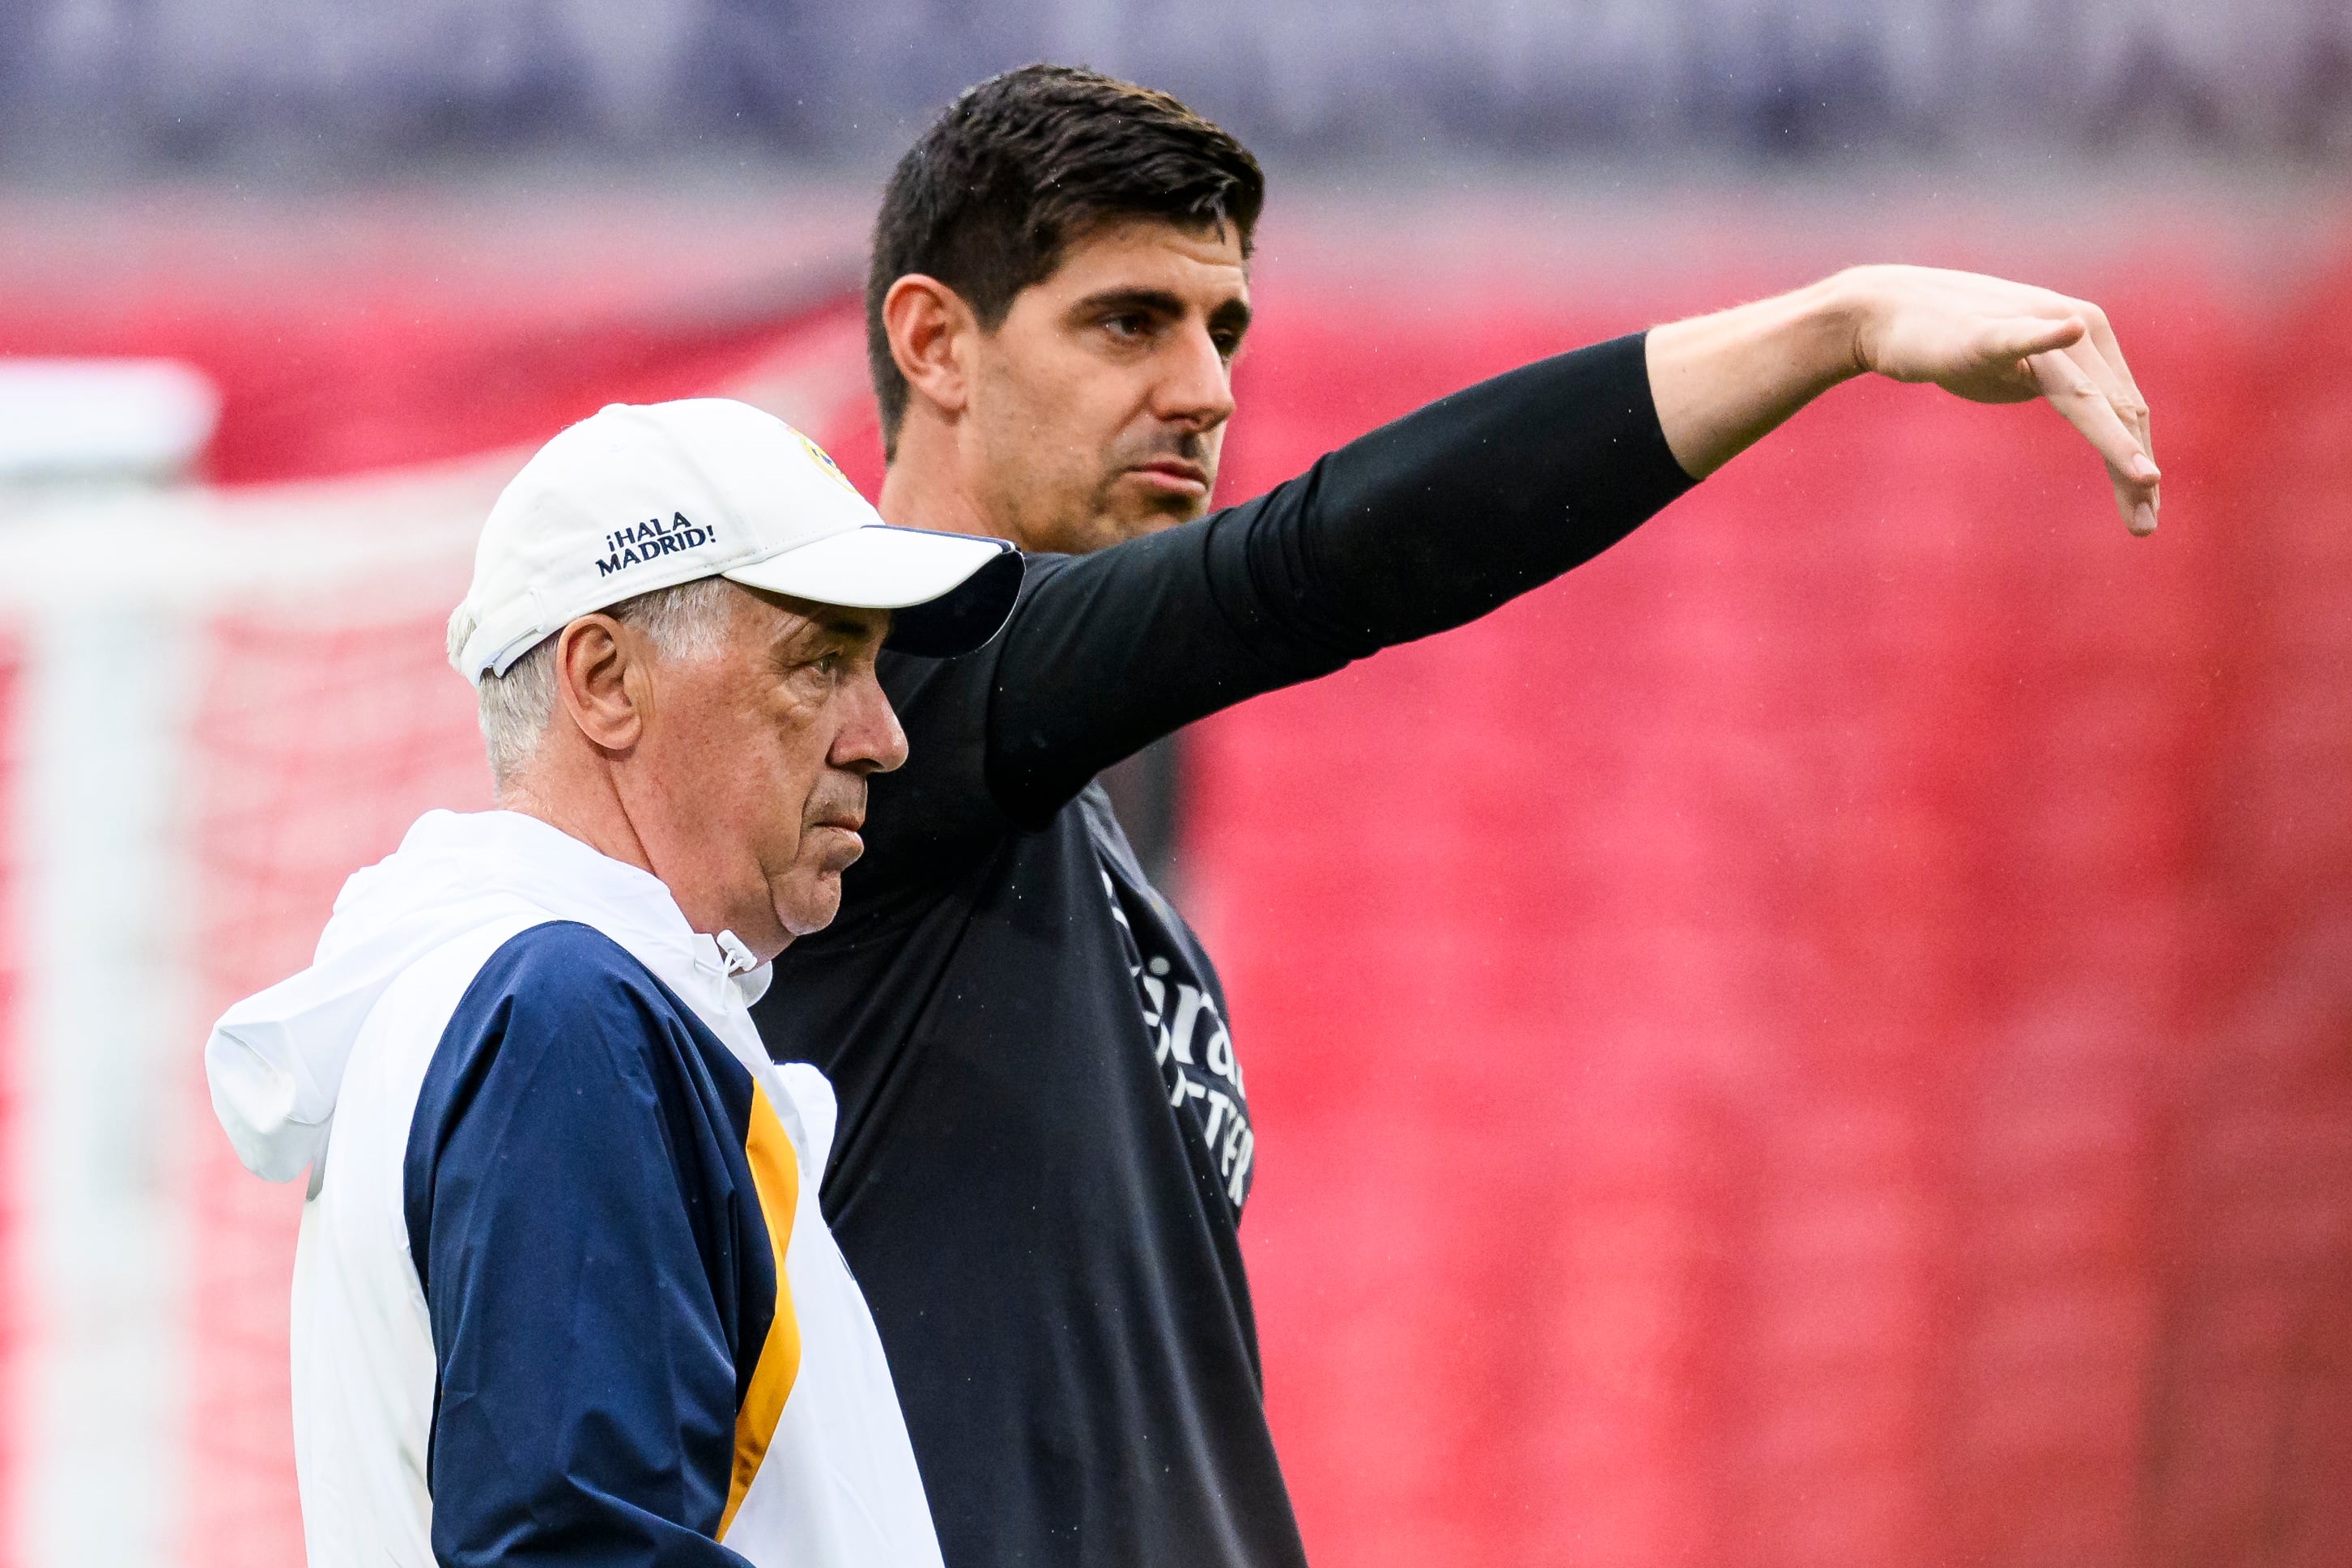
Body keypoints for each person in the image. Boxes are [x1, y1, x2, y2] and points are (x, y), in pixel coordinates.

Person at [751, 66, 2161, 1568]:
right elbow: (1313, 567)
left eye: (1222, 328)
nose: (1205, 386)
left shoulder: (1083, 834)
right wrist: (1835, 326)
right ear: (932, 341)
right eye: (1127, 321)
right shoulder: (885, 691)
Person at [202, 397, 1023, 1568]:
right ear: (602, 679)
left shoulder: (511, 996)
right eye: (820, 661)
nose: (882, 734)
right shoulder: (563, 1014)